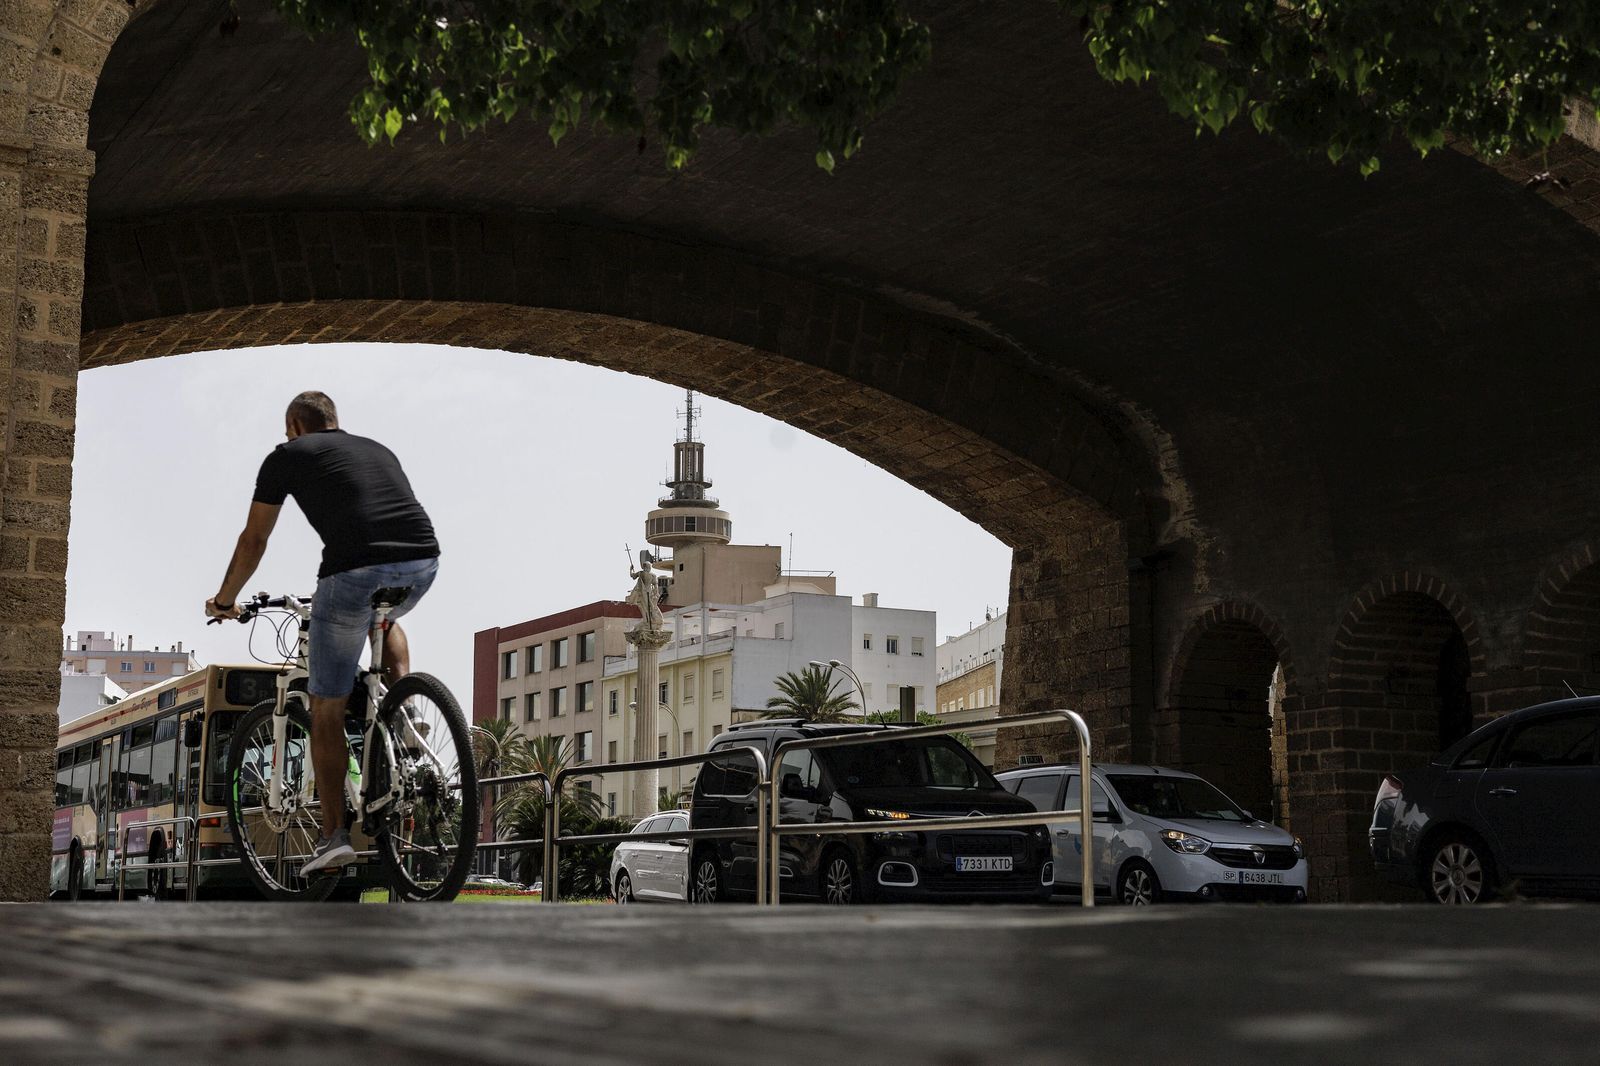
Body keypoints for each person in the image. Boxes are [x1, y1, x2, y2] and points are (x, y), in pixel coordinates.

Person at [205, 391, 440, 878]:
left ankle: (333, 837)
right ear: (335, 420)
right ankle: (404, 708)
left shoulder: (286, 456)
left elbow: (254, 539)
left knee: (327, 707)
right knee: (386, 615)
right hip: (423, 560)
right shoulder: (377, 447)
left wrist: (225, 600)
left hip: (351, 572)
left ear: (295, 424)